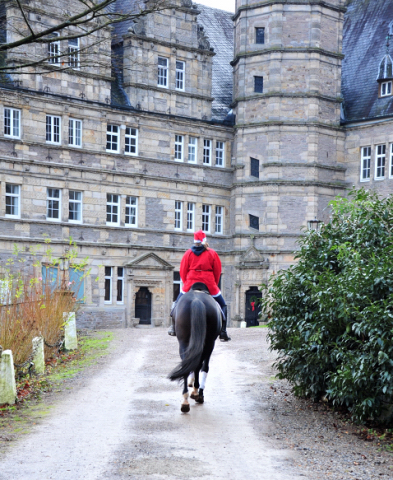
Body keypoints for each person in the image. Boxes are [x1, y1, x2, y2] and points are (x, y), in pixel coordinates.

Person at [168, 230, 231, 341]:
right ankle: (223, 332)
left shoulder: (188, 253)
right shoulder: (212, 253)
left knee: (177, 302)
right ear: (204, 240)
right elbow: (217, 271)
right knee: (223, 304)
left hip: (190, 282)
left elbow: (182, 271)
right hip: (209, 283)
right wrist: (214, 285)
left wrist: (186, 282)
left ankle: (173, 327)